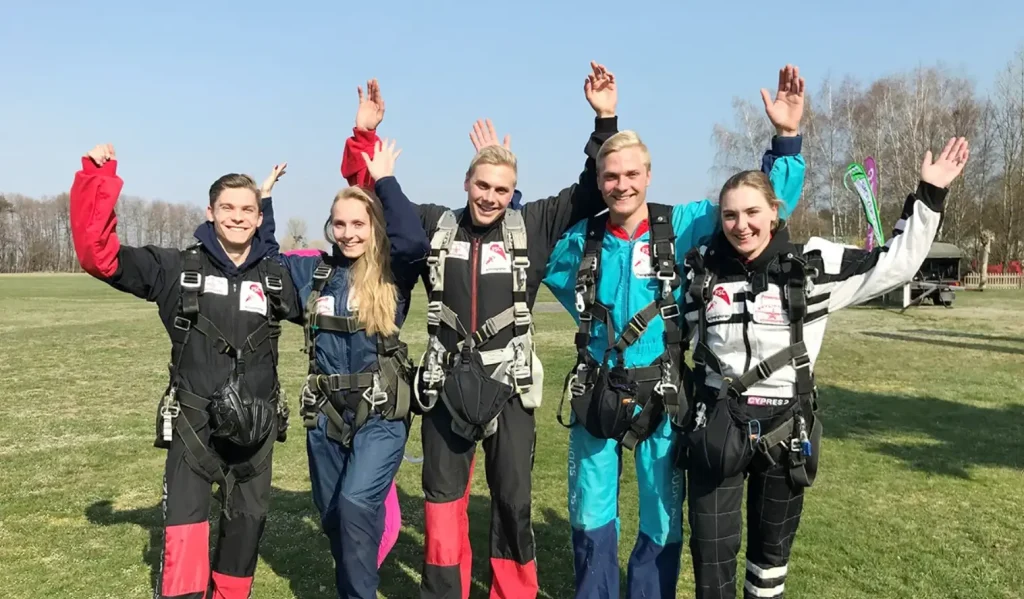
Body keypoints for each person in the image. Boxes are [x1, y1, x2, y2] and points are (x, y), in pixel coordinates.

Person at [341, 61, 620, 599]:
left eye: (502, 189)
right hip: (446, 387)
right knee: (442, 504)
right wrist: (364, 133)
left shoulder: (531, 225)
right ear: (466, 183)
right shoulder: (433, 225)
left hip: (509, 388)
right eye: (483, 185)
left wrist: (604, 118)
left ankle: (511, 591)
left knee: (513, 502)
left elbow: (589, 192)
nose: (491, 196)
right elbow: (365, 197)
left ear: (514, 191)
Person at [541, 64, 807, 599]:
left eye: (632, 175)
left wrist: (786, 140)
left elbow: (759, 208)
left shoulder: (680, 225)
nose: (622, 185)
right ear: (599, 182)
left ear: (648, 176)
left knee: (660, 521)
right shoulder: (575, 241)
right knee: (591, 516)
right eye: (611, 177)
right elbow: (528, 259)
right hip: (596, 395)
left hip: (663, 398)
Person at [679, 136, 969, 599]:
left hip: (785, 433)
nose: (741, 225)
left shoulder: (814, 263)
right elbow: (674, 341)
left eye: (752, 212)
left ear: (774, 212)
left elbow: (894, 263)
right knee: (711, 563)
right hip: (717, 428)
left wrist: (929, 196)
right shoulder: (701, 271)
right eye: (730, 215)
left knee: (768, 567)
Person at [69, 144, 298, 599]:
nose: (237, 216)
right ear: (209, 212)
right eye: (227, 207)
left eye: (247, 209)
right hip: (194, 431)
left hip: (256, 436)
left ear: (260, 216)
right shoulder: (175, 267)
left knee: (244, 542)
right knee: (185, 549)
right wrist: (97, 179)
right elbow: (99, 256)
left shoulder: (278, 277)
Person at [263, 131, 428, 596]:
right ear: (330, 226)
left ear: (374, 225)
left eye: (359, 223)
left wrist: (386, 182)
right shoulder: (314, 272)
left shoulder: (393, 274)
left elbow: (413, 239)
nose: (349, 233)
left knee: (357, 504)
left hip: (379, 415)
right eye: (340, 224)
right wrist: (265, 203)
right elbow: (267, 263)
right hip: (326, 415)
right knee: (335, 516)